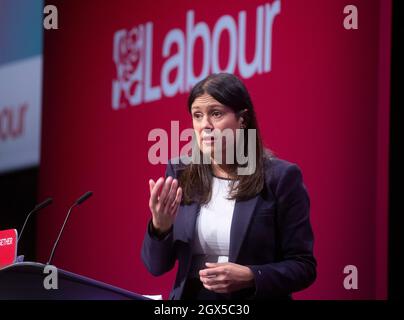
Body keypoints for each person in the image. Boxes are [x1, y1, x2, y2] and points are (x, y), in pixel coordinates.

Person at [141, 73, 316, 300]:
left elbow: (303, 267)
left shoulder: (280, 177)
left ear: (242, 119)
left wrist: (252, 275)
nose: (205, 125)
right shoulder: (181, 173)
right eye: (197, 115)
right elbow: (155, 267)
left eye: (216, 114)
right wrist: (160, 227)